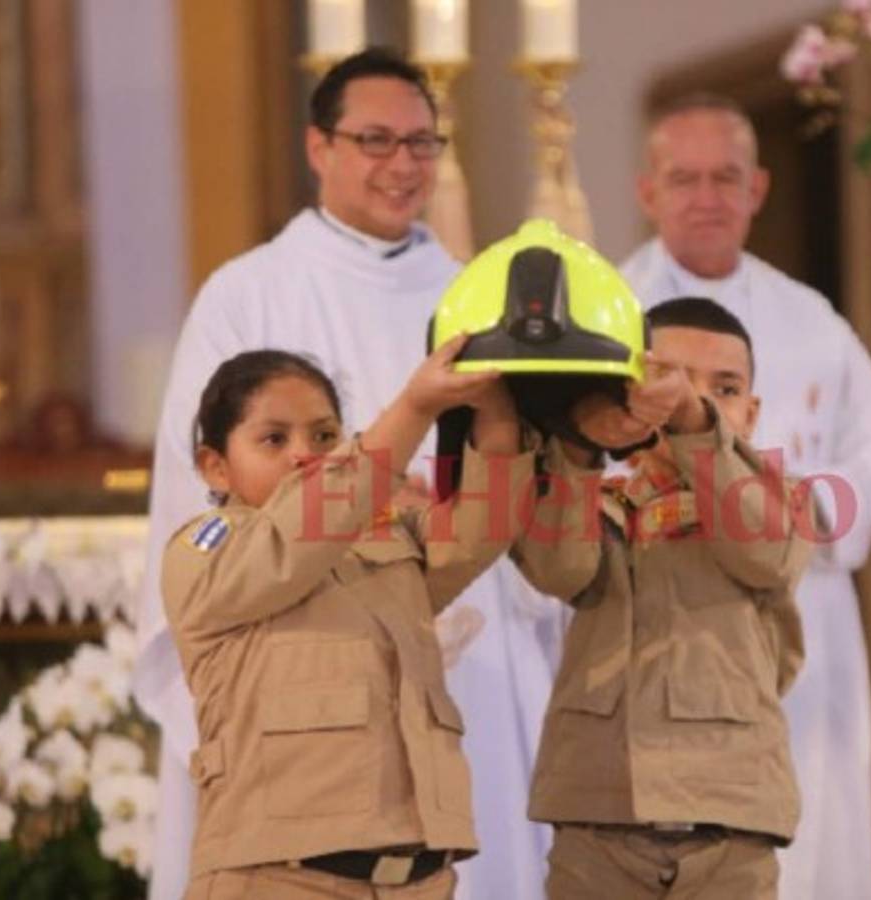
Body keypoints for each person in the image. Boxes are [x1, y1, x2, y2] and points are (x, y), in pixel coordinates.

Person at [134, 48, 557, 900]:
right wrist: (406, 420)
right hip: (290, 726)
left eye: (420, 143)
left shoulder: (474, 294)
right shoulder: (246, 290)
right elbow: (223, 517)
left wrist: (505, 428)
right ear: (318, 147)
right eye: (375, 140)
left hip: (450, 683)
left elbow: (477, 532)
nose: (403, 165)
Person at [621, 94, 871, 900]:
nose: (707, 197)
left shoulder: (809, 317)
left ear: (758, 189)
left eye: (726, 177)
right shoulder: (613, 314)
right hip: (670, 619)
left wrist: (810, 506)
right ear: (648, 192)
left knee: (813, 834)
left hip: (802, 616)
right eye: (685, 179)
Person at [164, 343, 530, 898]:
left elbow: (480, 530)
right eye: (274, 438)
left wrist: (500, 424)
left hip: (419, 880)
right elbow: (307, 528)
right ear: (215, 465)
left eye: (323, 436)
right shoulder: (206, 551)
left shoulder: (384, 539)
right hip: (278, 879)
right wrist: (414, 408)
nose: (303, 454)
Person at [511, 296, 813, 899]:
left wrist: (691, 423)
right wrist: (576, 445)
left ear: (750, 413)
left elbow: (765, 554)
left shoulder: (780, 496)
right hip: (598, 812)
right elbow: (559, 569)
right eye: (665, 381)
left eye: (722, 390)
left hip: (729, 818)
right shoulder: (586, 490)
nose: (687, 398)